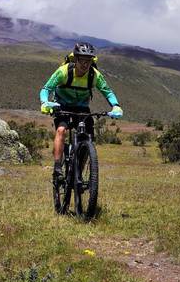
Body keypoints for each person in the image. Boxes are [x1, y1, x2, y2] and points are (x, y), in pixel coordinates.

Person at [39, 42, 123, 182]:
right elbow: (46, 89)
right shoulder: (64, 71)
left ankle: (79, 170)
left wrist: (116, 105)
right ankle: (57, 168)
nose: (85, 64)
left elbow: (107, 91)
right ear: (76, 60)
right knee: (61, 130)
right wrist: (45, 102)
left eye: (88, 61)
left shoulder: (94, 75)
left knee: (88, 138)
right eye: (82, 61)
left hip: (82, 108)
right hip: (62, 105)